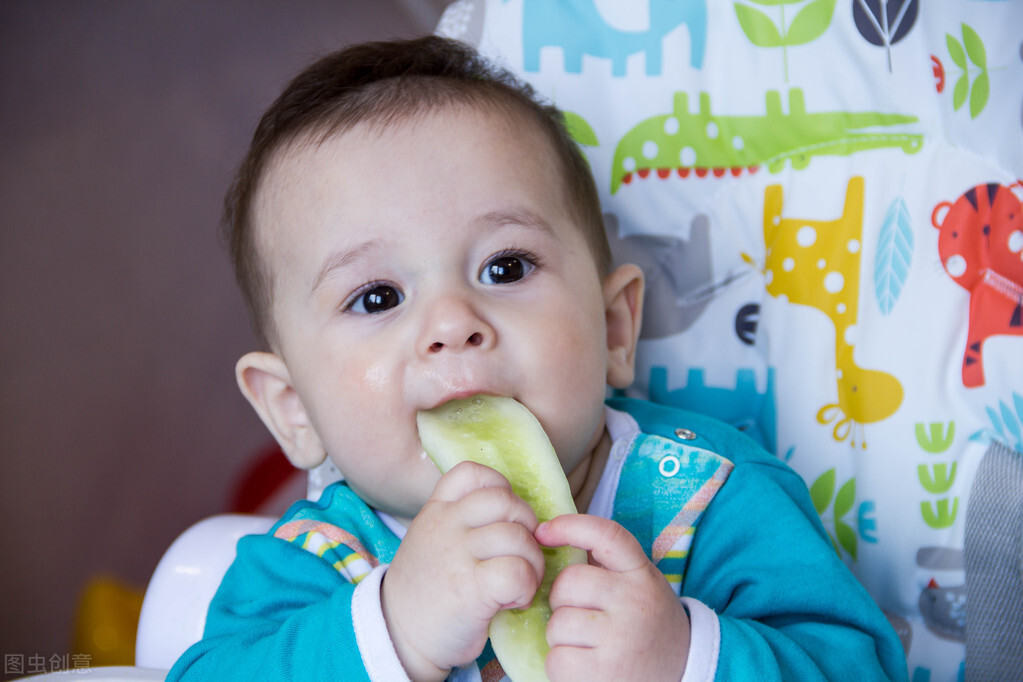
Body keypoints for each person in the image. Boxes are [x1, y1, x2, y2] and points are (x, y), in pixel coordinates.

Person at [168, 35, 908, 681]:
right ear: (293, 409)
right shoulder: (312, 562)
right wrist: (392, 627)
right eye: (376, 297)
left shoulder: (709, 497)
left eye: (506, 268)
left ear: (615, 330)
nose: (453, 324)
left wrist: (684, 659)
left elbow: (857, 666)